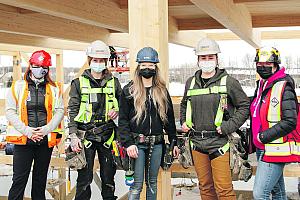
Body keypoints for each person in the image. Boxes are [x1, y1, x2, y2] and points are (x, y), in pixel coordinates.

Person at [180, 38, 249, 200]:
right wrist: (184, 121)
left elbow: (245, 106)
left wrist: (229, 126)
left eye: (210, 57)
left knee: (224, 189)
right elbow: (184, 105)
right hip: (197, 143)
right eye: (203, 58)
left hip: (220, 143)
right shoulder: (191, 83)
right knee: (205, 187)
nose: (207, 61)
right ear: (198, 60)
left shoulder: (229, 82)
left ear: (217, 59)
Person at [118, 47, 180, 200]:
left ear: (155, 67)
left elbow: (169, 120)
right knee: (136, 186)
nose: (147, 68)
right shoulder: (129, 90)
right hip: (136, 145)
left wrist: (174, 142)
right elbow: (123, 120)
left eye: (151, 65)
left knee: (152, 183)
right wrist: (128, 143)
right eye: (144, 65)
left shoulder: (161, 91)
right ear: (138, 66)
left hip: (157, 144)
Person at [6, 50, 64, 200]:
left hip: (45, 142)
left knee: (40, 182)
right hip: (24, 141)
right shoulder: (17, 86)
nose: (41, 69)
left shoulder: (55, 88)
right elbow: (10, 112)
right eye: (37, 65)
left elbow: (59, 111)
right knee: (19, 181)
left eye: (44, 66)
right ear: (30, 65)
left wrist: (46, 130)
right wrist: (28, 131)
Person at [68, 40, 122, 200]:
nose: (98, 64)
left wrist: (117, 112)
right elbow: (72, 110)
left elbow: (124, 109)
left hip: (108, 136)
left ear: (106, 62)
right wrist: (73, 136)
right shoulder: (78, 83)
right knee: (84, 180)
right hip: (86, 136)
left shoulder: (114, 83)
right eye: (95, 60)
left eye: (101, 61)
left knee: (108, 180)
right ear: (90, 61)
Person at [250, 46, 299, 199]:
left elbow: (290, 121)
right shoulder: (262, 85)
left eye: (267, 65)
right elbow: (255, 110)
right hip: (262, 147)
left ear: (275, 65)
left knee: (260, 193)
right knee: (277, 192)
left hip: (273, 148)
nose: (262, 67)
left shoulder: (284, 86)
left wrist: (263, 137)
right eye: (260, 64)